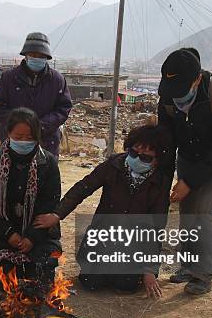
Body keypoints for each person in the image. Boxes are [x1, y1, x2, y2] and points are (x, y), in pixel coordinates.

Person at [33, 125, 172, 298]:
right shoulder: (114, 165)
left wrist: (149, 270)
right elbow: (83, 188)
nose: (136, 159)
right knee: (91, 283)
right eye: (134, 153)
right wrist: (57, 214)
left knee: (125, 286)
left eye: (145, 157)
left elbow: (156, 227)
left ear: (158, 160)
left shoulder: (160, 182)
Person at [157, 48, 212, 295]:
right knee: (188, 207)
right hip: (189, 156)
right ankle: (187, 266)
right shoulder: (166, 97)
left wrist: (190, 181)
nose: (176, 97)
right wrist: (163, 177)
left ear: (197, 79)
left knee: (203, 208)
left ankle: (203, 274)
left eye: (182, 89)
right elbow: (166, 139)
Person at [0, 108, 62, 290]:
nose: (24, 141)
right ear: (9, 133)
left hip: (40, 234)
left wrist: (31, 237)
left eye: (29, 137)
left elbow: (51, 202)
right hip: (3, 233)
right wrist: (8, 233)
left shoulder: (47, 163)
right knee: (7, 284)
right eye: (19, 136)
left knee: (41, 281)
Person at [0, 32, 72, 160]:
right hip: (15, 142)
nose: (37, 58)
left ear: (46, 57)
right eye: (33, 55)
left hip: (46, 142)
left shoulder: (57, 80)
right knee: (12, 177)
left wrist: (40, 126)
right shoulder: (9, 78)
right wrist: (18, 126)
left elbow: (64, 108)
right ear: (26, 55)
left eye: (41, 55)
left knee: (44, 177)